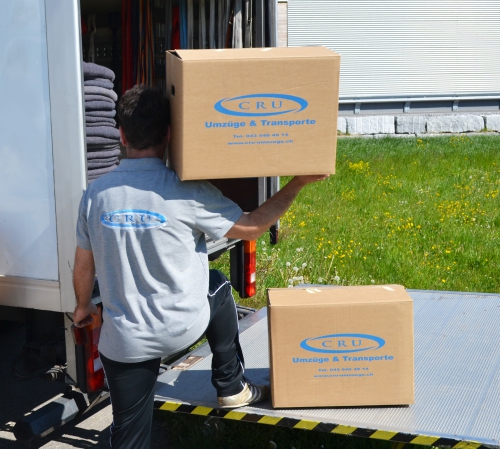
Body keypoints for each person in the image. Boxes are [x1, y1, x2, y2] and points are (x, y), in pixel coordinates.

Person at [72, 85, 329, 449]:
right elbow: (253, 226)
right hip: (180, 328)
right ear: (169, 134)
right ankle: (231, 386)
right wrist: (298, 183)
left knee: (128, 437)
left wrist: (83, 307)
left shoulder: (95, 194)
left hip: (126, 340)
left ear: (122, 136)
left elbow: (84, 265)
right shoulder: (187, 190)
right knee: (218, 284)